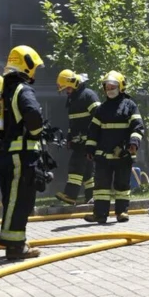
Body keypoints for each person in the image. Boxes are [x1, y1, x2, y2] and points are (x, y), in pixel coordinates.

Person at [0, 45, 47, 260]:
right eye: (34, 66)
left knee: (11, 199)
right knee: (20, 200)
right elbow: (33, 115)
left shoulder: (3, 89)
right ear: (26, 64)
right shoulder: (22, 89)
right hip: (20, 155)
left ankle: (16, 242)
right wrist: (37, 133)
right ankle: (15, 248)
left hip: (5, 153)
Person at [85, 71, 144, 224]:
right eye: (107, 86)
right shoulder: (101, 109)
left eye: (113, 86)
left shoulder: (130, 106)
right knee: (101, 187)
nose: (110, 89)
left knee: (122, 185)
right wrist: (90, 148)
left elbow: (137, 127)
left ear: (121, 87)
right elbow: (93, 131)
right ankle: (100, 214)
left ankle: (122, 212)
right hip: (103, 156)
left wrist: (133, 143)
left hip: (122, 154)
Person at [55, 70, 100, 206]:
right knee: (87, 172)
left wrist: (94, 138)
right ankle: (91, 198)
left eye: (67, 88)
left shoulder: (88, 96)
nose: (67, 92)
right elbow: (73, 122)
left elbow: (99, 117)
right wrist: (70, 137)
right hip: (79, 141)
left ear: (74, 84)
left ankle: (70, 195)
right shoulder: (73, 98)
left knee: (75, 166)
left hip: (88, 141)